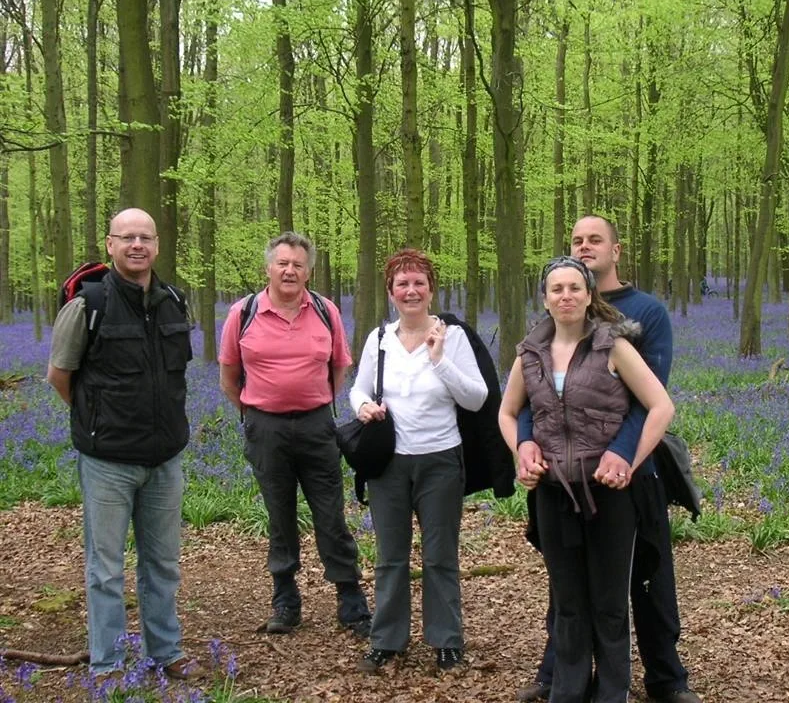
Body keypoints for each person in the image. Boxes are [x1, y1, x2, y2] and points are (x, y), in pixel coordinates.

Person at [517, 215, 702, 703]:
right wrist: (525, 444)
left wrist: (623, 454)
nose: (585, 246)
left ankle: (665, 679)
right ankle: (560, 678)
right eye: (577, 240)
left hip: (632, 469)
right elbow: (528, 403)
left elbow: (651, 400)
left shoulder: (644, 315)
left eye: (595, 239)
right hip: (562, 479)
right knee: (571, 589)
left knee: (643, 580)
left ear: (615, 251)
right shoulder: (542, 334)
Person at [46, 208, 201, 680]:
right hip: (107, 461)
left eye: (146, 237)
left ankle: (165, 652)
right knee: (105, 568)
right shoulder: (86, 305)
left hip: (164, 458)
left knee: (163, 563)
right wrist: (97, 421)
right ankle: (109, 662)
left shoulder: (175, 301)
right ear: (110, 244)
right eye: (127, 237)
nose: (137, 245)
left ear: (157, 245)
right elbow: (59, 375)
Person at [218, 232, 371, 637]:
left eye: (297, 264)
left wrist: (313, 400)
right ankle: (285, 600)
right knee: (279, 515)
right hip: (265, 428)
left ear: (309, 271)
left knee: (330, 514)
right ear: (268, 267)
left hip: (317, 425)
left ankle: (350, 597)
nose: (289, 270)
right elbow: (229, 377)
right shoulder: (243, 312)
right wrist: (256, 412)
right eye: (282, 263)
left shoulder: (325, 311)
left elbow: (339, 366)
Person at [349, 249, 487, 673]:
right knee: (390, 556)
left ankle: (446, 639)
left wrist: (439, 359)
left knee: (439, 555)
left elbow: (477, 398)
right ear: (391, 292)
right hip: (389, 464)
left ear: (431, 289)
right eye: (402, 284)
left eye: (419, 283)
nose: (411, 291)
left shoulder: (453, 336)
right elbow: (357, 390)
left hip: (440, 461)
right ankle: (387, 639)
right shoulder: (378, 339)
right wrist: (364, 409)